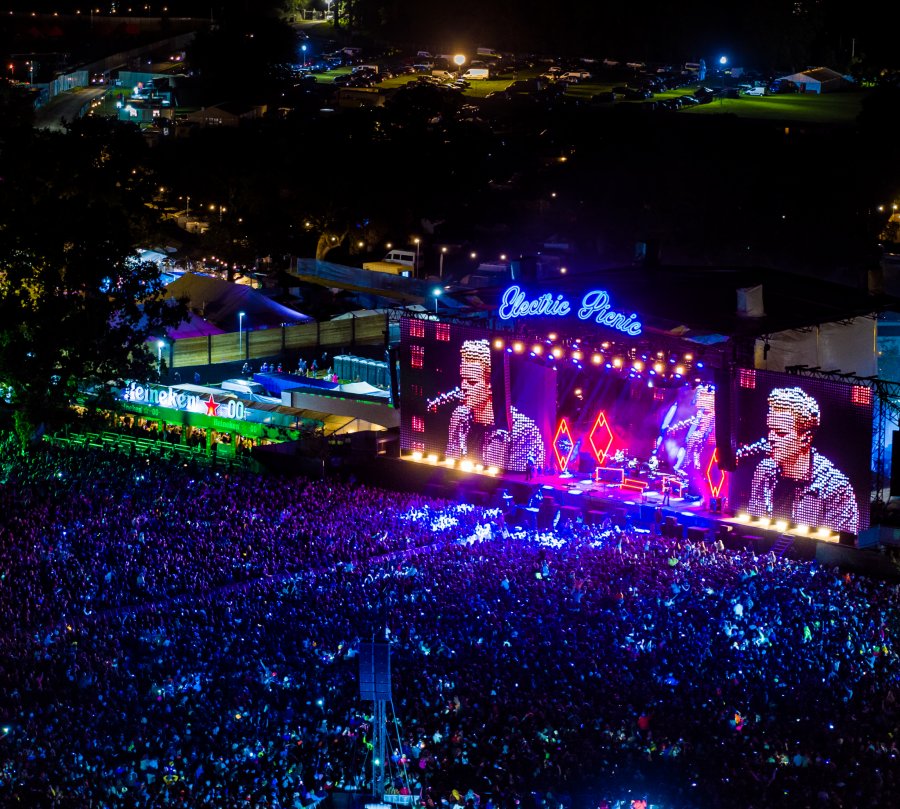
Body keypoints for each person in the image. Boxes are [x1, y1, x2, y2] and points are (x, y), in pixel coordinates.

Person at [748, 387, 859, 534]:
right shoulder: (764, 471)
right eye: (770, 430)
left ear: (805, 438)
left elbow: (841, 543)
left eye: (781, 433)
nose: (771, 439)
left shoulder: (836, 487)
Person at [446, 339, 545, 473]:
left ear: (490, 386)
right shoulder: (459, 416)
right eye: (462, 379)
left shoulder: (525, 430)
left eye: (471, 382)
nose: (463, 387)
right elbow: (451, 457)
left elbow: (514, 478)